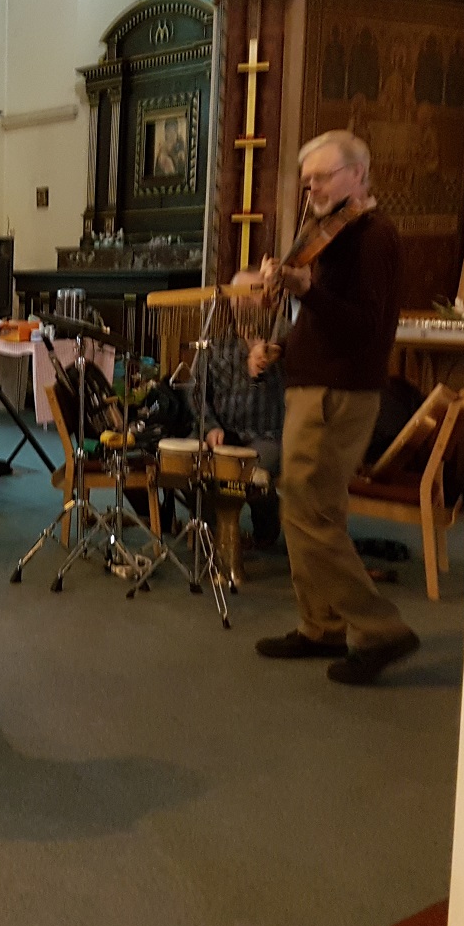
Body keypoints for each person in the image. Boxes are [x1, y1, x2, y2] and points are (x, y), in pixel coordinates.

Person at [255, 129, 417, 685]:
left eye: (322, 177)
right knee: (313, 512)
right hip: (318, 388)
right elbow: (325, 324)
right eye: (308, 182)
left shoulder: (373, 239)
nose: (313, 190)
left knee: (307, 514)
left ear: (358, 174)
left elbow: (363, 328)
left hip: (337, 396)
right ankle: (320, 625)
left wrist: (307, 291)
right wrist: (283, 345)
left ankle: (380, 628)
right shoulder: (338, 237)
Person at [198, 269, 285, 547]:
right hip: (224, 432)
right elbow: (197, 393)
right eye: (238, 295)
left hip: (266, 437)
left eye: (252, 294)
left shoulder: (283, 339)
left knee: (250, 472)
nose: (243, 301)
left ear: (267, 298)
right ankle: (212, 532)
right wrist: (210, 427)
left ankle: (266, 521)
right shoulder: (215, 345)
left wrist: (271, 353)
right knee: (189, 462)